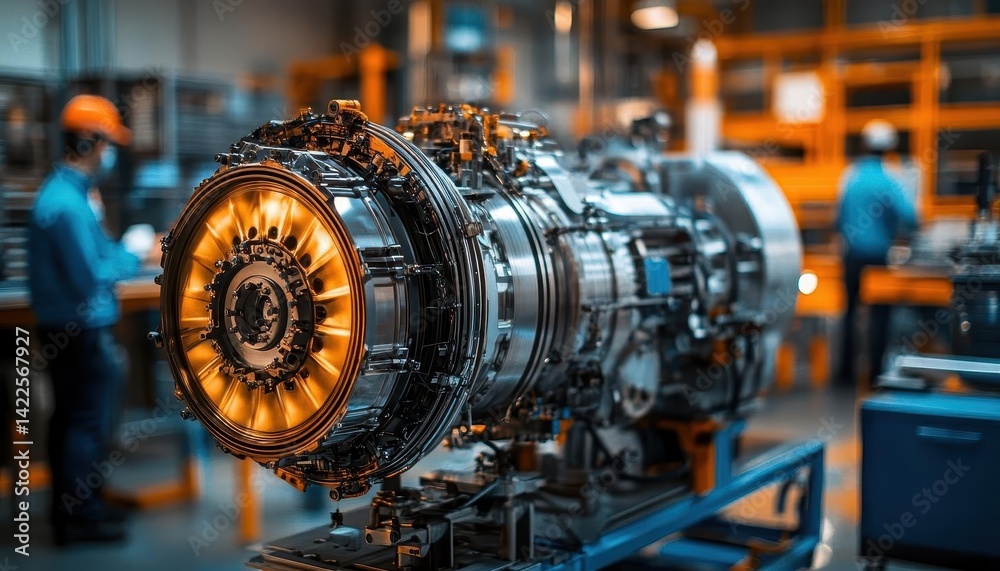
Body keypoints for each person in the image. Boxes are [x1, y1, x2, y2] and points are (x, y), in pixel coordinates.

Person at [28, 94, 155, 545]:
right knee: (85, 422)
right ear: (87, 143)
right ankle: (79, 520)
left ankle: (83, 508)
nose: (109, 153)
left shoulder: (73, 197)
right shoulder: (65, 204)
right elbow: (92, 277)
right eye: (106, 144)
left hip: (71, 328)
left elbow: (96, 258)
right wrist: (133, 252)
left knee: (73, 421)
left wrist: (118, 250)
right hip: (79, 330)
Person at [836, 119, 918, 387]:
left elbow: (836, 219)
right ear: (888, 148)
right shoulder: (889, 179)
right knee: (879, 316)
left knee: (849, 313)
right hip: (879, 258)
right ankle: (874, 376)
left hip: (851, 256)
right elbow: (911, 216)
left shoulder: (850, 176)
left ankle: (845, 374)